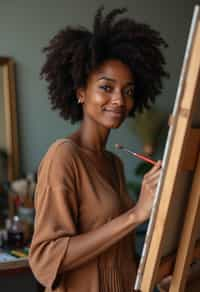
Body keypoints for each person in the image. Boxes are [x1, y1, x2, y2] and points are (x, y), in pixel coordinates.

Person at [29, 6, 168, 292]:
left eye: (128, 91)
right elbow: (45, 260)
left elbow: (116, 253)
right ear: (81, 92)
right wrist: (136, 214)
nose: (119, 99)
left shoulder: (114, 163)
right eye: (106, 87)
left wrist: (158, 270)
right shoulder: (63, 156)